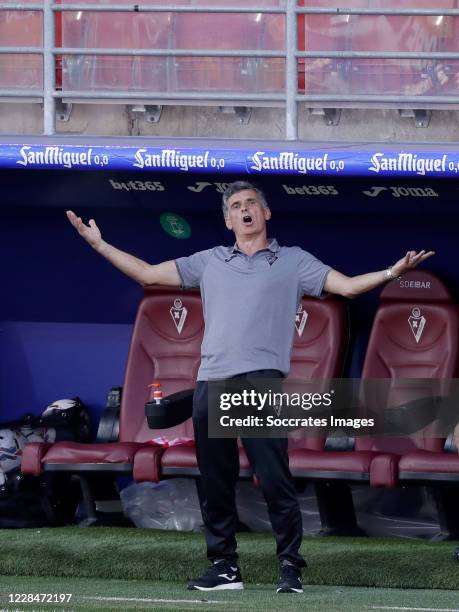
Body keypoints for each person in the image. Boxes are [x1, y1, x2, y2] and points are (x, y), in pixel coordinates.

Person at [66, 180, 434, 594]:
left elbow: (346, 287)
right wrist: (100, 245)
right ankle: (224, 568)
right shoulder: (209, 261)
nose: (244, 210)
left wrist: (392, 272)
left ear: (266, 213)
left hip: (260, 383)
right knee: (215, 483)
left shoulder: (294, 261)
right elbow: (149, 274)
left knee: (274, 479)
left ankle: (290, 568)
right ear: (227, 219)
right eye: (236, 206)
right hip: (212, 382)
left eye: (251, 204)